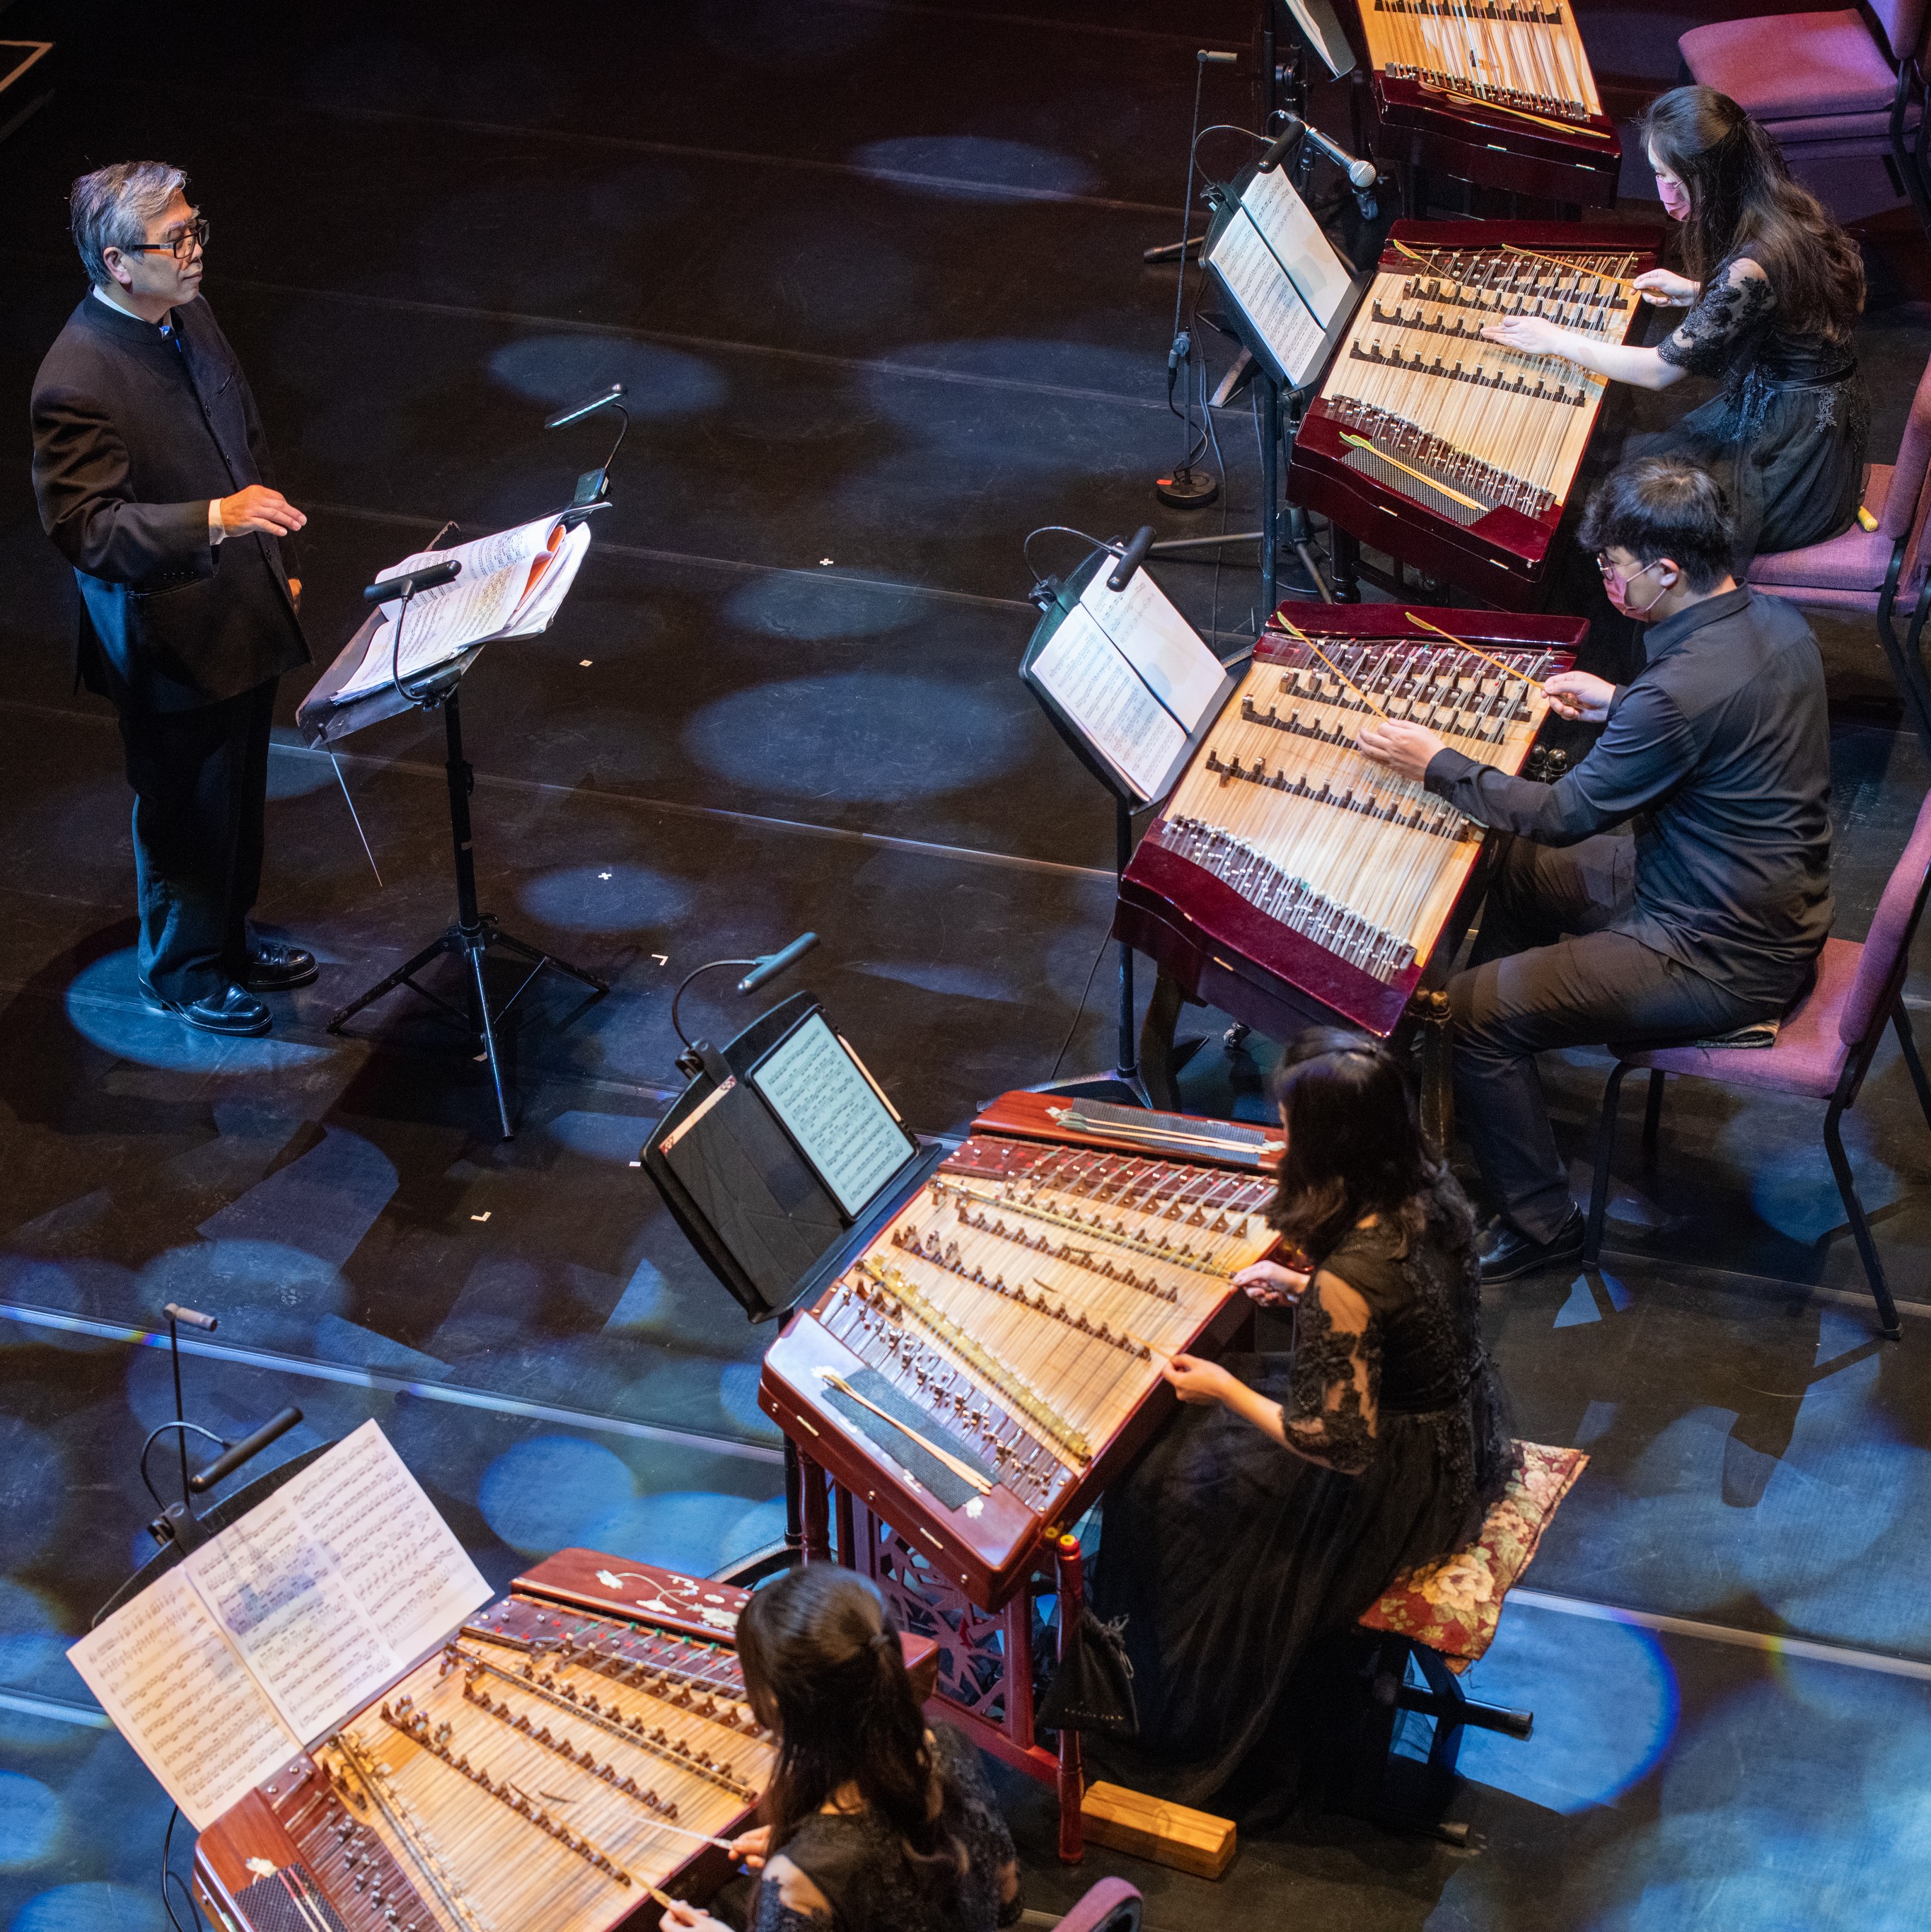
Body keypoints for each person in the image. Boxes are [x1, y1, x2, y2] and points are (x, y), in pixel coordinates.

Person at [1357, 456, 1833, 1282]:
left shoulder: (1678, 692)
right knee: (1519, 869)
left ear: (1667, 570)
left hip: (1716, 949)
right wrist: (1621, 702)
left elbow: (1564, 811)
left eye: (1614, 567)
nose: (1608, 582)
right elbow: (1709, 722)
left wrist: (1436, 763)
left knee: (1468, 1012)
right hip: (1742, 891)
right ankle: (1488, 1077)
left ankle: (1543, 1223)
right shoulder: (1777, 622)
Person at [1084, 1029, 1511, 1817]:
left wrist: (1224, 1388)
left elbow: (1336, 1444)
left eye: (1290, 1131)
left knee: (1155, 1490)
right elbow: (1408, 1320)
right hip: (1454, 1433)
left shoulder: (1351, 1276)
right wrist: (1298, 1286)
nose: (1280, 1144)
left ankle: (1169, 1705)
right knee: (1191, 1444)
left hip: (1393, 1483)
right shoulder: (1427, 1188)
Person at [32, 161, 315, 1039]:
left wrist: (274, 558)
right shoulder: (76, 379)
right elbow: (87, 529)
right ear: (118, 262)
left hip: (240, 603)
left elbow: (242, 434)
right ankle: (183, 969)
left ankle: (229, 938)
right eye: (175, 240)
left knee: (238, 794)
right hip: (168, 635)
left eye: (195, 229)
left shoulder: (189, 312)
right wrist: (217, 520)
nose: (194, 252)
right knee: (186, 808)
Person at [1480, 84, 1865, 570]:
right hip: (1815, 419)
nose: (1660, 189)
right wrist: (1699, 291)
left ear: (1704, 178)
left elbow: (1658, 371)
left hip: (1795, 458)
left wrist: (1555, 339)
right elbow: (1786, 303)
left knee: (1632, 508)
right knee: (1624, 473)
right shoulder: (1781, 208)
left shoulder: (1754, 264)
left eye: (1666, 176)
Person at [660, 1565, 1019, 1932]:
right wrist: (811, 1848)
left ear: (775, 1703)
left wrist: (807, 1863)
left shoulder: (799, 1879)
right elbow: (1007, 1902)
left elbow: (855, 1859)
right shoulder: (945, 1743)